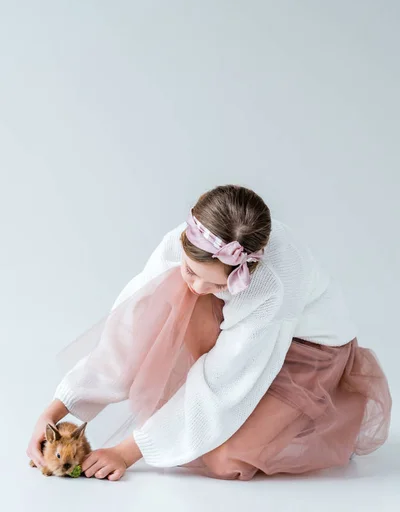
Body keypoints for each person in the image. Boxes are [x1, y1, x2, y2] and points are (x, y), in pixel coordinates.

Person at [27, 185, 391, 481]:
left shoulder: (271, 287)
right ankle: (192, 420)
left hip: (308, 352)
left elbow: (220, 384)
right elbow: (128, 328)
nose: (197, 286)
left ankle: (317, 412)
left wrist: (128, 450)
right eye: (191, 270)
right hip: (247, 328)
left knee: (223, 459)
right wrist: (58, 409)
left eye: (212, 281)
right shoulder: (185, 243)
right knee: (166, 289)